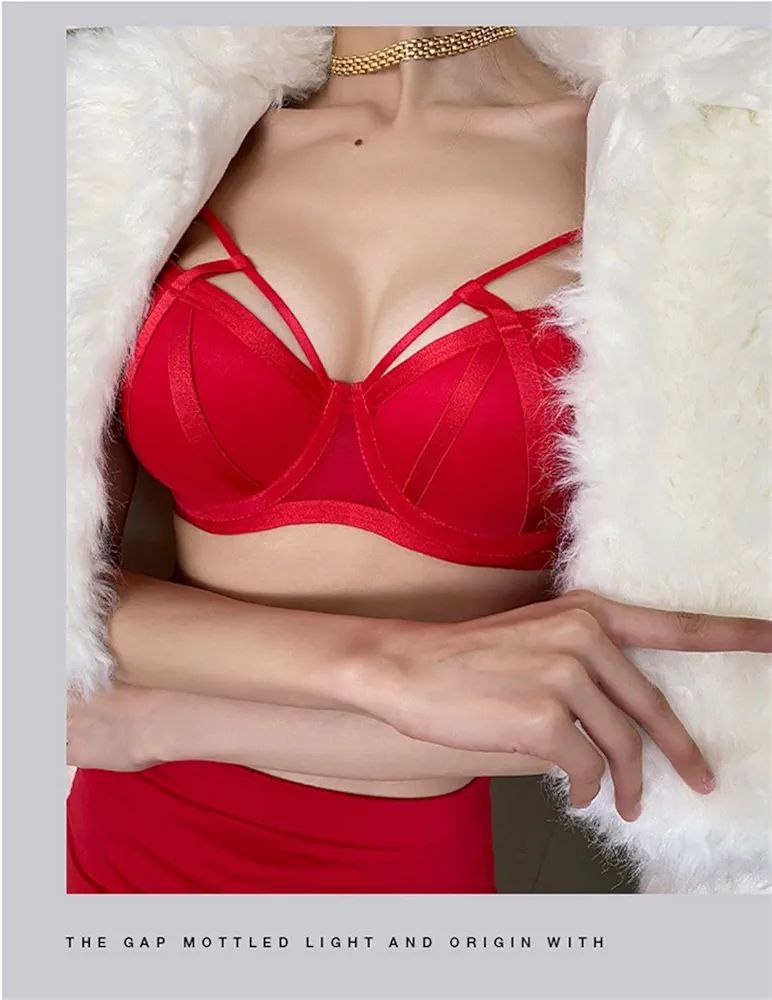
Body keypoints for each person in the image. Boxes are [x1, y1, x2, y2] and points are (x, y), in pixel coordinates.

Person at [65, 25, 771, 894]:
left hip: (388, 872)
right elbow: (44, 605)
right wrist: (380, 667)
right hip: (119, 846)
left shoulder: (702, 161)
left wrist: (156, 722)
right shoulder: (134, 137)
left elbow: (699, 711)